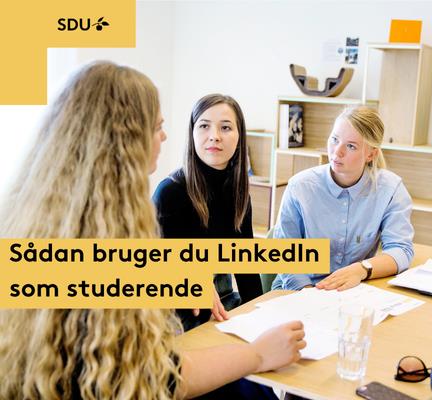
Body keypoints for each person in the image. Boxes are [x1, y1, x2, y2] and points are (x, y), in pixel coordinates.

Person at [0, 61, 305, 399]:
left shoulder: (51, 220)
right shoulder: (146, 208)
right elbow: (155, 375)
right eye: (157, 126)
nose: (164, 137)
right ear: (124, 139)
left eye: (225, 128)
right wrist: (256, 355)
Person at [272, 106, 414, 291]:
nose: (337, 152)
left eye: (351, 146)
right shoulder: (300, 187)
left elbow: (401, 250)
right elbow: (284, 254)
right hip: (299, 288)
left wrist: (362, 269)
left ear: (371, 154)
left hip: (353, 288)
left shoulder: (390, 190)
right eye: (335, 139)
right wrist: (309, 295)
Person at [153, 94, 262, 331]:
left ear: (239, 137)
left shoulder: (238, 193)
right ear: (192, 134)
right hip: (175, 312)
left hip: (222, 303)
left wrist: (259, 315)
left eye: (225, 127)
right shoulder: (170, 192)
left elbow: (246, 269)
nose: (214, 136)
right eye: (204, 126)